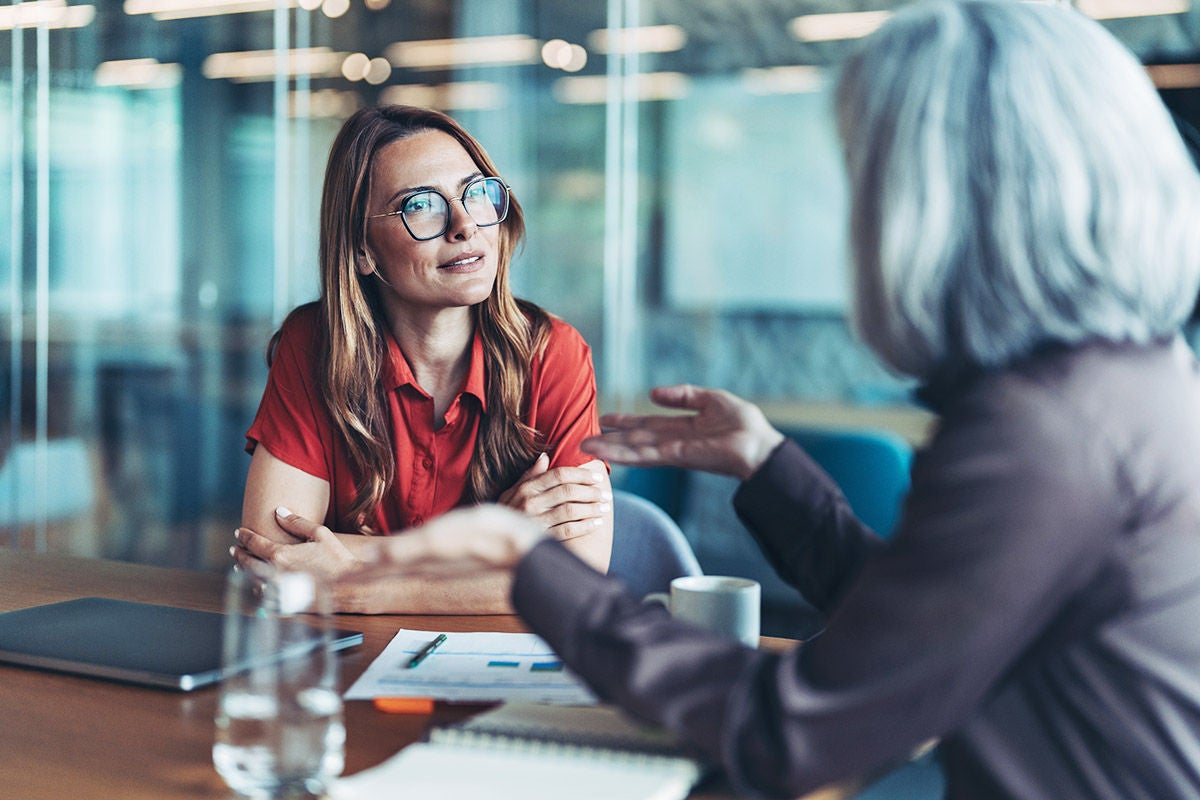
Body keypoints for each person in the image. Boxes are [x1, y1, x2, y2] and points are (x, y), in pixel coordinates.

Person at [293, 2, 1200, 797]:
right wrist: (766, 467)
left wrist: (528, 564)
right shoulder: (1124, 383)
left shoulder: (1045, 434)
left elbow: (788, 733)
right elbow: (920, 626)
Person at [231, 105, 612, 614]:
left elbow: (577, 580)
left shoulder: (553, 354)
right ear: (363, 249)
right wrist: (495, 546)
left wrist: (362, 584)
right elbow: (275, 559)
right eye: (421, 206)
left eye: (475, 193)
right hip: (351, 667)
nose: (464, 225)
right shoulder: (313, 345)